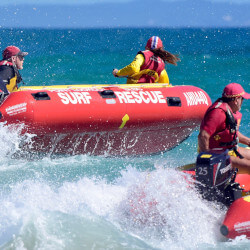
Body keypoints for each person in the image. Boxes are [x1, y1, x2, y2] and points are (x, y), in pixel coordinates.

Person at [198, 83, 250, 174]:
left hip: (231, 150)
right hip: (220, 156)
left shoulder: (228, 110)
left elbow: (230, 133)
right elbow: (203, 136)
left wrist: (248, 141)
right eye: (242, 99)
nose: (243, 101)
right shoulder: (218, 113)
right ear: (236, 100)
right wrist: (208, 160)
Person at [112, 36, 180, 84]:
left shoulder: (143, 55)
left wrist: (118, 73)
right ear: (161, 49)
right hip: (149, 94)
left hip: (135, 91)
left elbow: (133, 68)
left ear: (146, 47)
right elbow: (165, 82)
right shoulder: (161, 63)